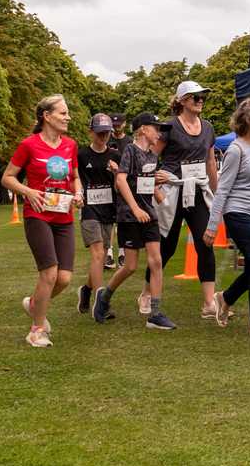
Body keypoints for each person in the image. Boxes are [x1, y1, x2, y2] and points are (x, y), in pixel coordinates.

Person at [1, 94, 82, 348]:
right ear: (46, 116)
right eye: (63, 113)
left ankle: (35, 304)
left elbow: (74, 177)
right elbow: (7, 178)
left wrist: (79, 193)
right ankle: (36, 330)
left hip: (64, 216)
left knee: (64, 278)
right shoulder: (29, 145)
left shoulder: (70, 145)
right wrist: (28, 192)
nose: (68, 117)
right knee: (49, 272)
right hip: (38, 215)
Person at [93, 113, 175, 330]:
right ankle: (104, 297)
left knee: (156, 261)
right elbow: (121, 180)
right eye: (156, 128)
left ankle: (155, 314)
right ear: (143, 130)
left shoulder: (152, 156)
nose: (160, 133)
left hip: (149, 215)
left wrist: (161, 193)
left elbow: (144, 183)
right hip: (129, 216)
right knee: (129, 266)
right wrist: (136, 208)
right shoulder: (130, 150)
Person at [144, 81, 220, 319]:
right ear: (182, 100)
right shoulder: (169, 127)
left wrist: (218, 195)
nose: (200, 100)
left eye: (203, 97)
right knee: (166, 246)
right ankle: (146, 292)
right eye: (196, 97)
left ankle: (209, 303)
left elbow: (210, 162)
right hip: (172, 191)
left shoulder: (208, 127)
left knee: (205, 243)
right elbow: (149, 156)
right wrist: (152, 181)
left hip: (197, 191)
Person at [207, 99, 250, 340]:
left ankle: (225, 298)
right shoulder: (235, 150)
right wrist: (212, 226)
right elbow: (223, 190)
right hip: (238, 212)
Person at [75, 113, 121, 316]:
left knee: (101, 258)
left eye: (107, 133)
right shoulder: (81, 155)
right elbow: (75, 179)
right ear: (91, 132)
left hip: (109, 211)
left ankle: (86, 289)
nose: (103, 136)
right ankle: (101, 303)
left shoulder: (116, 156)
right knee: (98, 254)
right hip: (89, 210)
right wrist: (78, 195)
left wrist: (117, 173)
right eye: (100, 133)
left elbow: (121, 187)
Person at [106, 113, 131, 269]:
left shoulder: (129, 142)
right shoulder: (106, 139)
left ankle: (122, 253)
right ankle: (108, 253)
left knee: (123, 220)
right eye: (114, 125)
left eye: (119, 124)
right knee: (109, 220)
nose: (116, 127)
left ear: (124, 124)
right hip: (108, 184)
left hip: (124, 185)